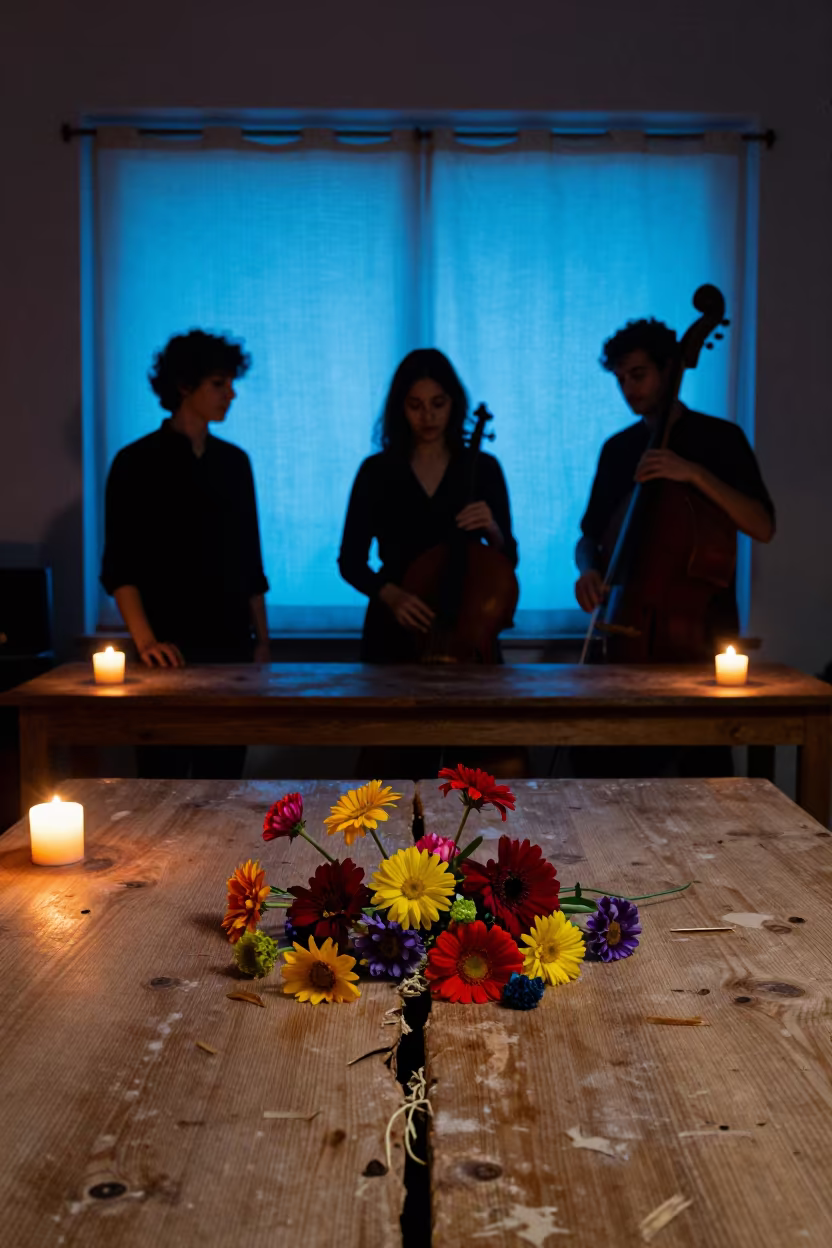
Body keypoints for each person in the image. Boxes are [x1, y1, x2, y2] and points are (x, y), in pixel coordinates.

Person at [572, 316, 775, 777]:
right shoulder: (618, 449)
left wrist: (694, 474)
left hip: (699, 641)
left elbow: (762, 525)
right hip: (621, 638)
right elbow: (590, 536)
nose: (628, 389)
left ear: (669, 369)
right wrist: (588, 570)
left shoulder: (721, 439)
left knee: (703, 782)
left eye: (638, 374)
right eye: (620, 379)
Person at [100, 330, 270, 777]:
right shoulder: (134, 462)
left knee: (225, 783)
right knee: (162, 784)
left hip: (231, 649)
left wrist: (263, 642)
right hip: (166, 654)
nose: (231, 393)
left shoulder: (235, 462)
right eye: (219, 383)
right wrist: (146, 642)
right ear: (183, 386)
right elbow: (119, 565)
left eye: (231, 382)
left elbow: (250, 561)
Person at [338, 348, 518, 663]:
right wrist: (391, 595)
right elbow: (350, 562)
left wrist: (493, 529)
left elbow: (508, 558)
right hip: (394, 627)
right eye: (415, 406)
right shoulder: (376, 471)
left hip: (468, 625)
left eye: (438, 404)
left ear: (454, 403)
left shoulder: (483, 468)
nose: (428, 417)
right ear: (400, 409)